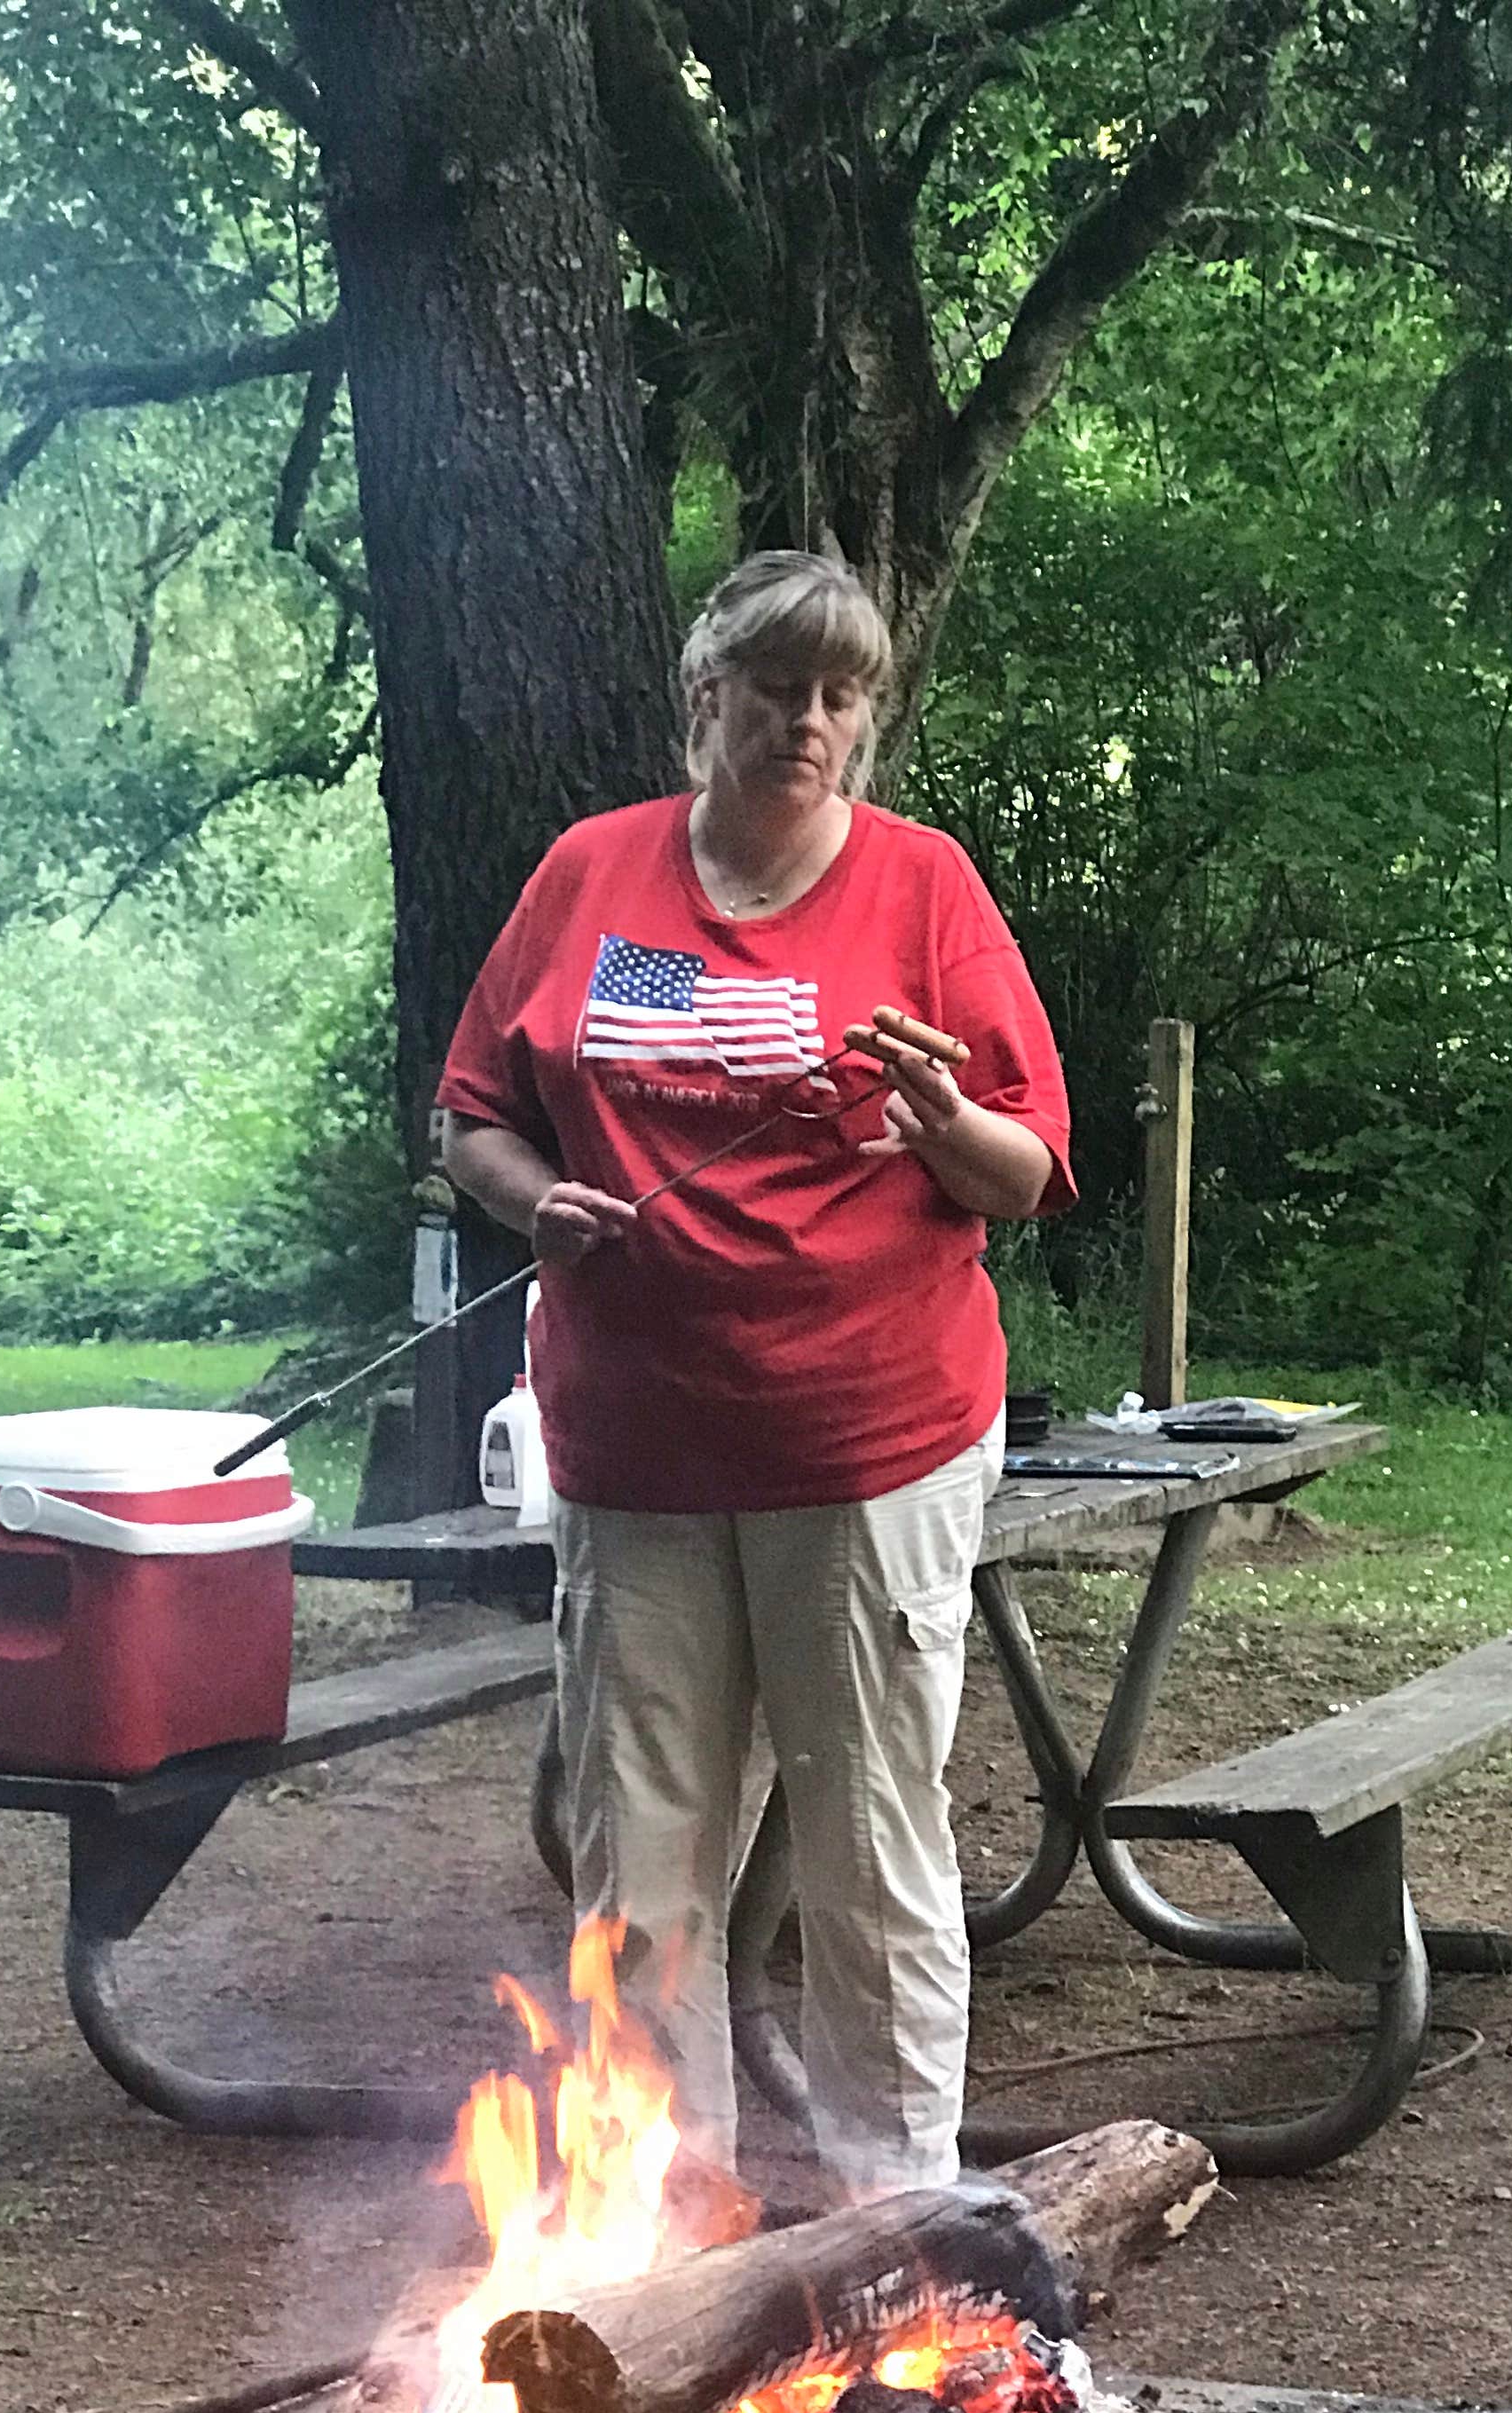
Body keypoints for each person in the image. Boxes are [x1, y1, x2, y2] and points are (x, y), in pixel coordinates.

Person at [437, 550, 1075, 2195]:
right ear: (703, 697)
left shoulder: (925, 890)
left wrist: (947, 1126)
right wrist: (535, 1202)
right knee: (638, 1862)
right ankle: (659, 2241)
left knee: (869, 1849)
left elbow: (1028, 1166)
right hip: (633, 1455)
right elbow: (470, 1114)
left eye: (842, 695)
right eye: (778, 686)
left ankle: (894, 2218)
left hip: (868, 1446)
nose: (809, 720)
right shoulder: (592, 872)